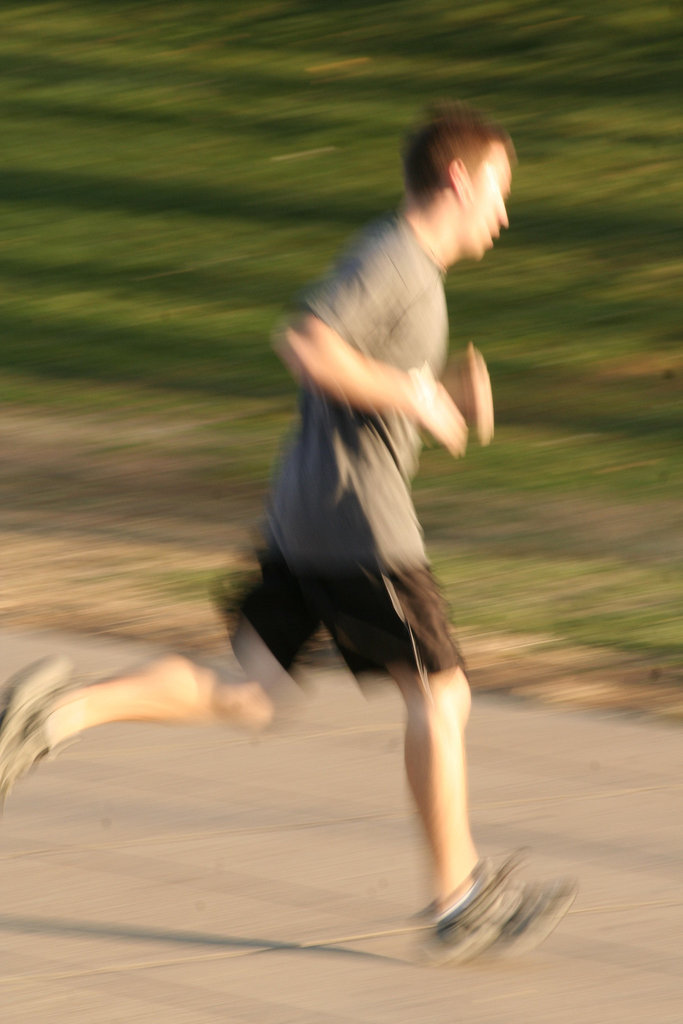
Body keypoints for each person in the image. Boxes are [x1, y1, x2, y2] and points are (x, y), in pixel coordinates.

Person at [0, 103, 575, 963]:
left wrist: (432, 406)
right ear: (457, 179)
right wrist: (414, 396)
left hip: (304, 511)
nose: (503, 213)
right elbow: (306, 342)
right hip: (358, 527)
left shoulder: (404, 266)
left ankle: (59, 711)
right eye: (497, 191)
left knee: (252, 692)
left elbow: (355, 380)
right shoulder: (399, 261)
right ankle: (459, 900)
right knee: (440, 695)